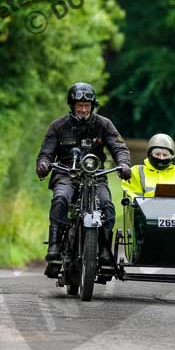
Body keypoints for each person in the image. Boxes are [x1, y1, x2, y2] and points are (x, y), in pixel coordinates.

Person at [36, 82, 131, 262]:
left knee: (107, 206)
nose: (83, 109)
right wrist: (43, 164)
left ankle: (104, 249)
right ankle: (55, 244)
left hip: (96, 176)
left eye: (87, 106)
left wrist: (124, 164)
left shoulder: (104, 124)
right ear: (72, 106)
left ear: (92, 106)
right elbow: (46, 153)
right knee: (60, 198)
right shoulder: (58, 126)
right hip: (66, 173)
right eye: (80, 105)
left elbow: (119, 148)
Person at [122, 133, 175, 200]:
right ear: (150, 155)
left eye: (165, 155)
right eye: (157, 154)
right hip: (144, 214)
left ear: (172, 157)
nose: (161, 158)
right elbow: (132, 194)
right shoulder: (136, 171)